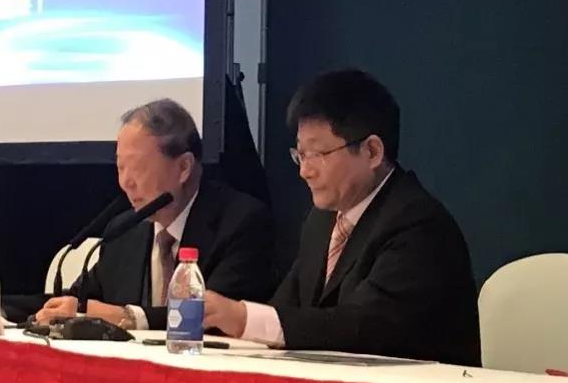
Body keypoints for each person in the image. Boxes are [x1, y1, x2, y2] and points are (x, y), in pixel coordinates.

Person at [204, 70, 480, 365]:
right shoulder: (322, 221)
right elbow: (289, 308)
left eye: (317, 154)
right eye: (300, 155)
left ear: (372, 151)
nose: (304, 171)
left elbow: (363, 327)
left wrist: (243, 318)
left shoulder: (419, 225)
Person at [35, 98, 274, 330]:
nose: (126, 182)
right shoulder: (124, 231)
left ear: (184, 167)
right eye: (120, 168)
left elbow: (212, 315)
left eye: (137, 168)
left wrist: (128, 317)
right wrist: (17, 307)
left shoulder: (241, 223)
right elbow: (76, 302)